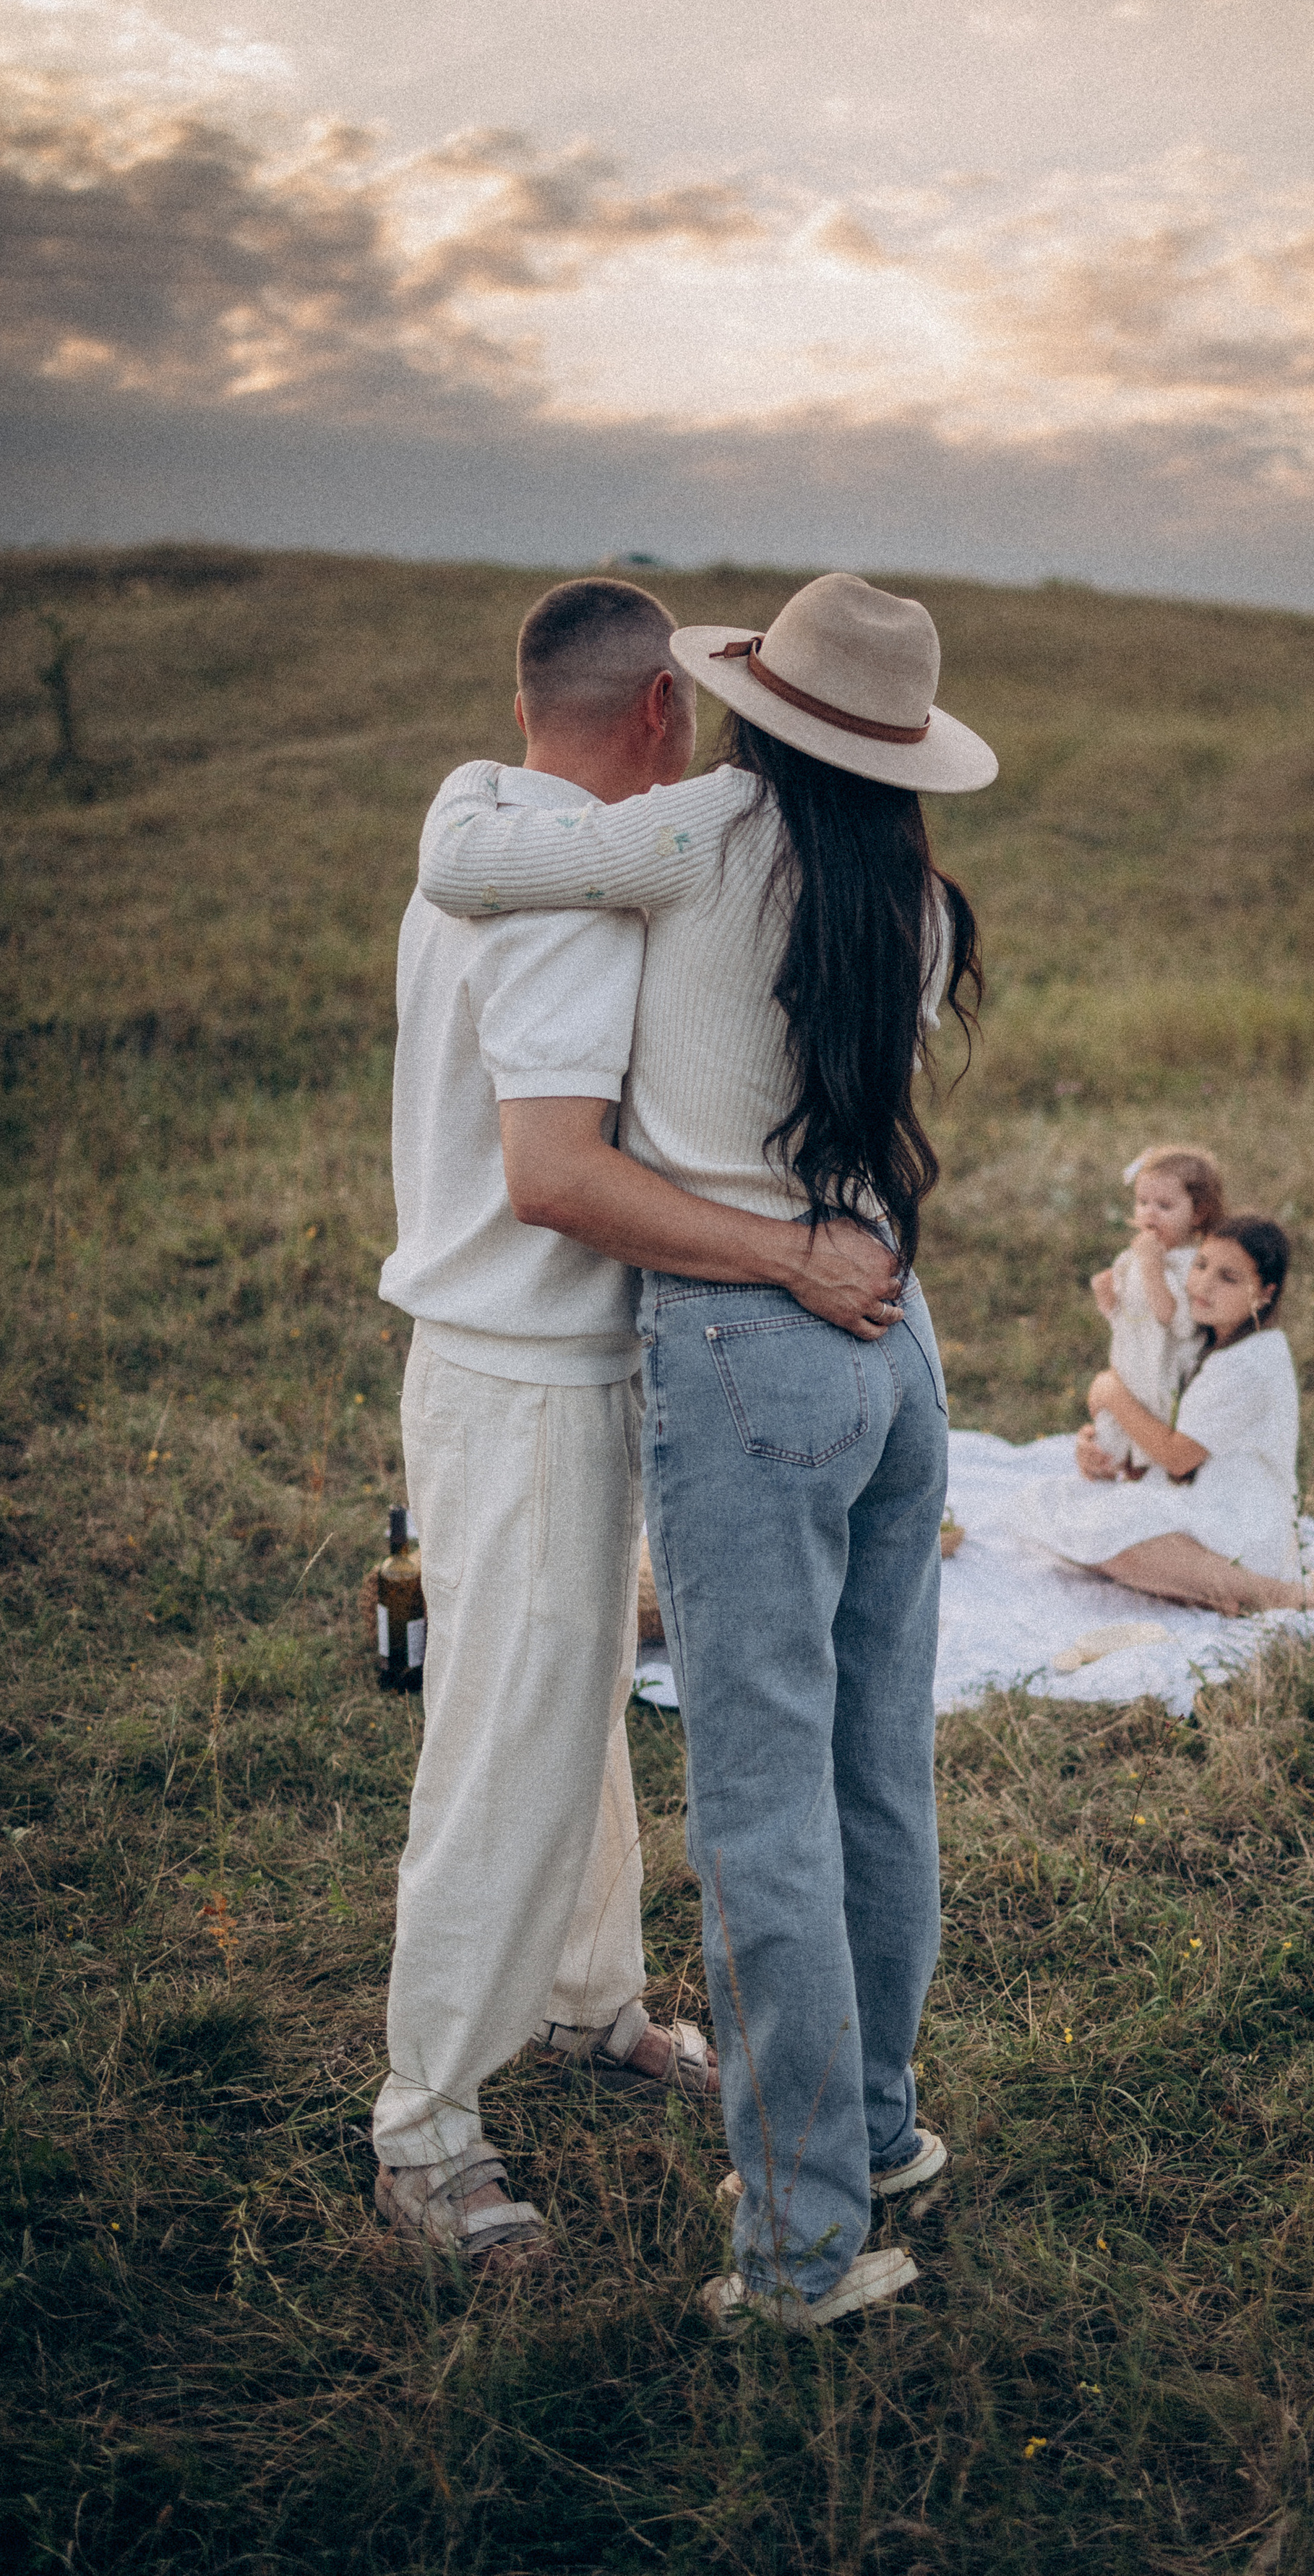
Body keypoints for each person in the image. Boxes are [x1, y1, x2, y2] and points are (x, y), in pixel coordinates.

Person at [416, 572, 995, 2330]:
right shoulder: (922, 900)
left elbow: (470, 863)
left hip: (749, 1345)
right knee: (877, 1771)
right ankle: (877, 2131)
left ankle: (804, 2243)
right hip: (892, 1336)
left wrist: (469, 775)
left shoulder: (688, 835)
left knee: (760, 1810)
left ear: (750, 705)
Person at [1031, 1215, 1305, 1614]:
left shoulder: (1251, 1361)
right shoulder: (1205, 1341)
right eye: (1201, 1265)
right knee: (1072, 1517)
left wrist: (1112, 1391)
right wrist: (1104, 1451)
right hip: (1205, 1506)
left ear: (1263, 1294)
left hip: (1244, 1523)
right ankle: (1211, 1588)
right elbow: (1160, 1441)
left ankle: (1274, 1594)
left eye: (1228, 1278)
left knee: (1111, 1539)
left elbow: (1178, 1457)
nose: (1204, 1284)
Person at [1088, 1142, 1225, 1474]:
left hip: (1165, 1371)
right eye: (1143, 1202)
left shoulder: (1189, 1263)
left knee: (1153, 1437)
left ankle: (1148, 1475)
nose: (1149, 1213)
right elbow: (1129, 1317)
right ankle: (1116, 1469)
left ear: (1198, 1213)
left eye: (1164, 1205)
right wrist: (1108, 1301)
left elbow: (1174, 1319)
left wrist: (1153, 1269)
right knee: (1113, 1443)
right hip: (1132, 1364)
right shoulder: (1132, 1258)